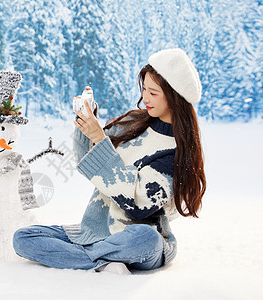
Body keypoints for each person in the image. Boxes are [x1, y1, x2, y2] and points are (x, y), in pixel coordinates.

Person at [13, 48, 206, 275]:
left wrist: (99, 137)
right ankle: (103, 260)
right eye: (144, 89)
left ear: (174, 96)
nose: (145, 98)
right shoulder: (134, 122)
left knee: (145, 238)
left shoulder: (174, 152)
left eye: (153, 93)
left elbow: (138, 207)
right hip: (96, 230)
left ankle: (86, 255)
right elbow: (89, 157)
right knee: (23, 238)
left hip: (139, 240)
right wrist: (87, 120)